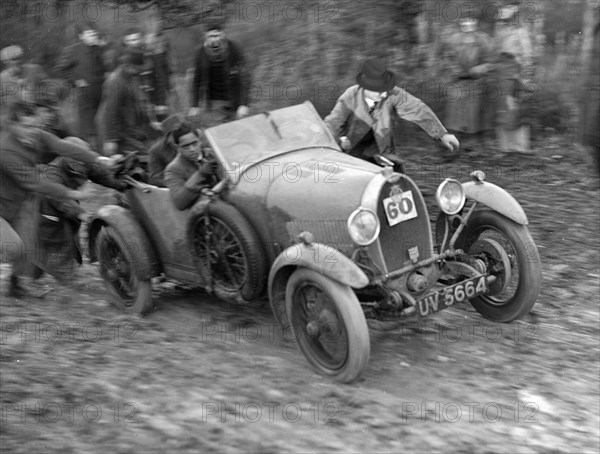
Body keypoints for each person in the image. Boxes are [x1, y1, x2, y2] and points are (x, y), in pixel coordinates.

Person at [0, 100, 113, 297]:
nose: (33, 131)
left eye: (35, 125)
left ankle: (16, 287)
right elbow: (36, 183)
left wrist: (97, 158)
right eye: (27, 127)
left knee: (26, 244)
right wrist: (74, 194)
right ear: (13, 126)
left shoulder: (36, 134)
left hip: (17, 202)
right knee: (14, 247)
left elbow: (63, 146)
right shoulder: (6, 150)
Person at [324, 58, 459, 163]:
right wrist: (338, 141)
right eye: (378, 91)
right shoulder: (350, 96)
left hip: (381, 150)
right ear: (365, 87)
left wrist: (442, 134)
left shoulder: (392, 94)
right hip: (351, 152)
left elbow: (417, 109)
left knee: (396, 184)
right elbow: (332, 124)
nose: (383, 94)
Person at [95, 47, 161, 158]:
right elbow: (110, 111)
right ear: (129, 67)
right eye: (138, 68)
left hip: (130, 130)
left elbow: (142, 101)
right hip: (117, 133)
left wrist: (152, 121)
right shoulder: (116, 82)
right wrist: (110, 140)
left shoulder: (132, 78)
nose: (141, 71)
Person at [54, 22, 107, 150]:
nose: (93, 36)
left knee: (99, 124)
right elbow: (60, 69)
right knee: (86, 126)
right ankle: (88, 151)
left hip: (99, 92)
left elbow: (102, 69)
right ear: (81, 36)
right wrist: (76, 80)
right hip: (84, 93)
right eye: (89, 34)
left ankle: (98, 152)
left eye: (94, 34)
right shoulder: (73, 50)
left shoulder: (97, 49)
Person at [443, 17, 495, 144]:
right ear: (460, 24)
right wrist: (454, 69)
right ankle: (453, 145)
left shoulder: (483, 40)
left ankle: (472, 145)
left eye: (471, 22)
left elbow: (490, 62)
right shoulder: (453, 40)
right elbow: (447, 58)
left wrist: (477, 69)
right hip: (457, 82)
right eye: (464, 23)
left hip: (475, 82)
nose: (467, 26)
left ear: (476, 24)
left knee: (473, 116)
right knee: (454, 116)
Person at [188, 20, 250, 127]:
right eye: (211, 36)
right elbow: (196, 81)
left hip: (235, 99)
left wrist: (244, 104)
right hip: (215, 101)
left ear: (223, 34)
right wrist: (194, 105)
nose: (214, 39)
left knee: (239, 131)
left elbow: (245, 76)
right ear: (205, 36)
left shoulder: (234, 48)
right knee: (221, 132)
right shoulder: (200, 53)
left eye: (217, 35)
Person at [164, 124, 220, 210]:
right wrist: (200, 175)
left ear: (200, 141)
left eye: (194, 143)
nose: (192, 149)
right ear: (178, 148)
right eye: (186, 146)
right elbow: (180, 203)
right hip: (206, 215)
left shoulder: (214, 154)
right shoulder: (173, 169)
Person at [148, 113, 184, 186]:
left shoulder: (190, 143)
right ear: (168, 136)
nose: (179, 136)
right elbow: (155, 178)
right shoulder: (156, 151)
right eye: (176, 134)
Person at [146, 19, 173, 115]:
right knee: (158, 84)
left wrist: (170, 66)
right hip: (154, 62)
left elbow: (168, 52)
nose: (158, 27)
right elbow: (148, 51)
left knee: (166, 84)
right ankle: (159, 105)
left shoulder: (165, 37)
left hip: (164, 62)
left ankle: (165, 105)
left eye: (160, 25)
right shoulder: (149, 38)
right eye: (157, 25)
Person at [0, 45, 25, 128]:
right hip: (8, 119)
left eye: (19, 58)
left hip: (24, 116)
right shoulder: (2, 78)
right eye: (14, 59)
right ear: (6, 62)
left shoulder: (23, 75)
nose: (18, 62)